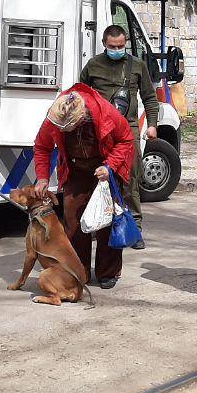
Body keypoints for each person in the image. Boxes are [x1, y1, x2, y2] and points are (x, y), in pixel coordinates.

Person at [32, 84, 137, 289]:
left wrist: (110, 167)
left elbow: (126, 140)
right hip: (75, 169)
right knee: (73, 223)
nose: (60, 131)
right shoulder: (57, 114)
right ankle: (79, 271)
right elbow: (42, 146)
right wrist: (42, 178)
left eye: (65, 129)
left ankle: (108, 272)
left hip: (105, 168)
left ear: (81, 119)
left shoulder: (105, 112)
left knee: (107, 222)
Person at [79, 25, 159, 249]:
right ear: (105, 44)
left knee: (130, 178)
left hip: (128, 128)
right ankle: (99, 224)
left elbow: (150, 98)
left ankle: (134, 228)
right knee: (99, 177)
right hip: (99, 130)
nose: (117, 49)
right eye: (113, 46)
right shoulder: (93, 65)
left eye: (121, 46)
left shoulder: (137, 65)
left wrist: (152, 125)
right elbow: (80, 96)